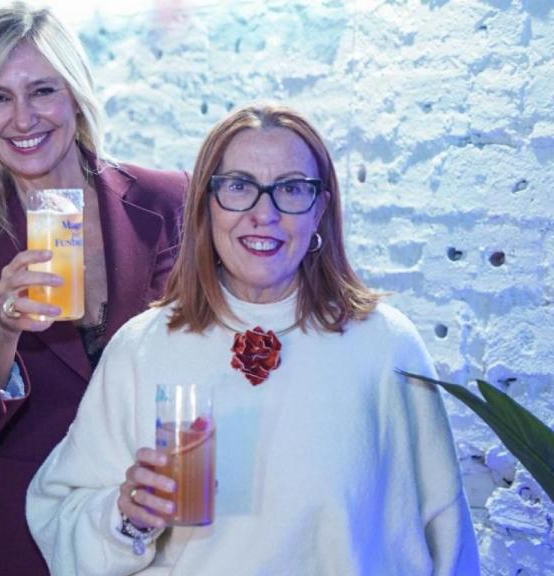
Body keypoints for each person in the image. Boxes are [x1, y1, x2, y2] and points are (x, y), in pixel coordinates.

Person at [26, 103, 480, 575]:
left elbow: (447, 539)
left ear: (321, 208)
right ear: (206, 203)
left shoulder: (387, 347)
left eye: (290, 189)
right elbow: (60, 512)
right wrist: (128, 518)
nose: (264, 214)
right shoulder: (143, 347)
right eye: (239, 187)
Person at [0, 4, 188, 575]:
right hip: (23, 537)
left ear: (74, 96)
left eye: (42, 90)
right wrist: (2, 330)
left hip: (155, 527)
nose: (22, 118)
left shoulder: (165, 202)